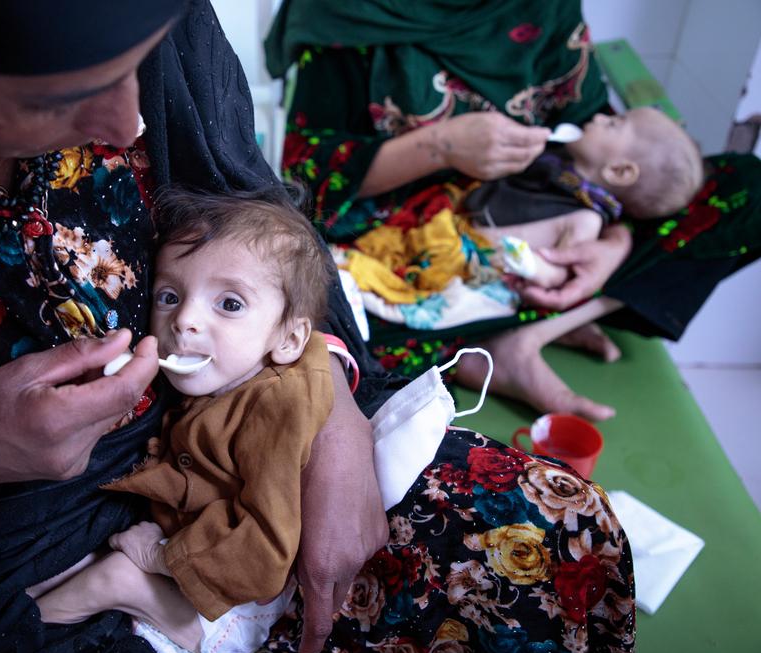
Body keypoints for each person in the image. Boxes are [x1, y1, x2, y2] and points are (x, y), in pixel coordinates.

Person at [0, 0, 638, 653]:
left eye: (138, 68)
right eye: (59, 100)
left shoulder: (152, 38)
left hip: (251, 417)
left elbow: (266, 235)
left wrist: (328, 412)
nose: (126, 122)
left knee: (555, 534)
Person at [265, 0, 761, 423]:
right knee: (297, 319)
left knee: (746, 189)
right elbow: (306, 181)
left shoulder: (542, 8)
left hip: (529, 256)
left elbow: (598, 144)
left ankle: (526, 336)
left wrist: (612, 245)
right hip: (399, 250)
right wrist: (440, 146)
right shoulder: (342, 13)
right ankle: (477, 339)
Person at [29, 187, 336, 653]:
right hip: (190, 561)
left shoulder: (278, 406)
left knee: (109, 579)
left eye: (230, 304)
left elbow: (266, 551)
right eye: (169, 296)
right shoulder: (229, 376)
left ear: (289, 337)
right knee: (59, 569)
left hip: (240, 603)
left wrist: (160, 556)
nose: (185, 320)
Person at [467, 107, 704, 289]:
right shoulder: (555, 160)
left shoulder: (586, 220)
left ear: (619, 171)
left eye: (613, 124)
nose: (600, 116)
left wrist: (530, 265)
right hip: (459, 215)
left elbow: (559, 274)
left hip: (474, 256)